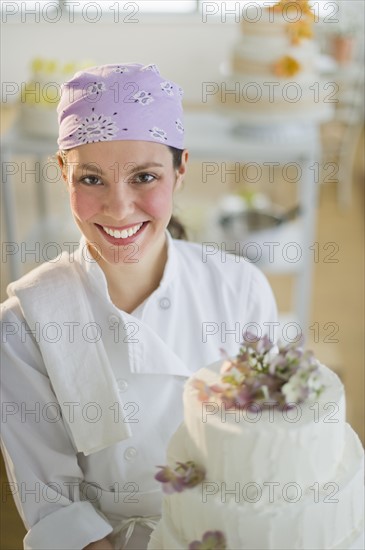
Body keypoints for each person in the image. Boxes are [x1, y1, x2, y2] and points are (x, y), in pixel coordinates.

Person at [0, 63, 277, 550]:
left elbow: (267, 447)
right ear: (62, 171)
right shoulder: (24, 325)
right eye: (91, 179)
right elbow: (58, 508)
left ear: (181, 168)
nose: (119, 207)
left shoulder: (241, 290)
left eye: (144, 176)